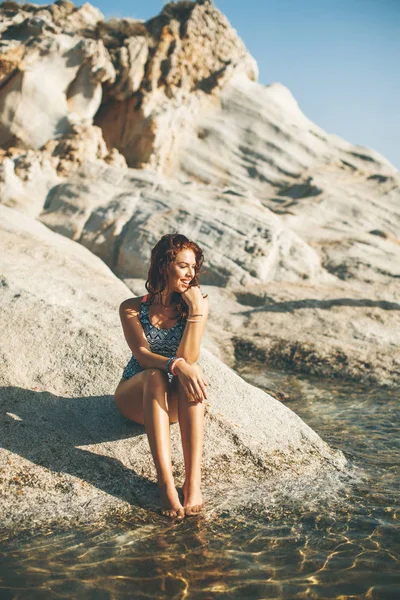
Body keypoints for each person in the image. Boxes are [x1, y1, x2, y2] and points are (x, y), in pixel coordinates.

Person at [114, 233, 209, 520]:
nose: (190, 274)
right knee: (155, 375)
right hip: (137, 396)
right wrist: (176, 365)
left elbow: (189, 357)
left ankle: (192, 483)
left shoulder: (194, 305)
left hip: (173, 404)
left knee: (193, 371)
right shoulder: (132, 307)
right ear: (163, 266)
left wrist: (196, 313)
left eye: (193, 267)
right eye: (183, 266)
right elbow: (142, 355)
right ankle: (165, 483)